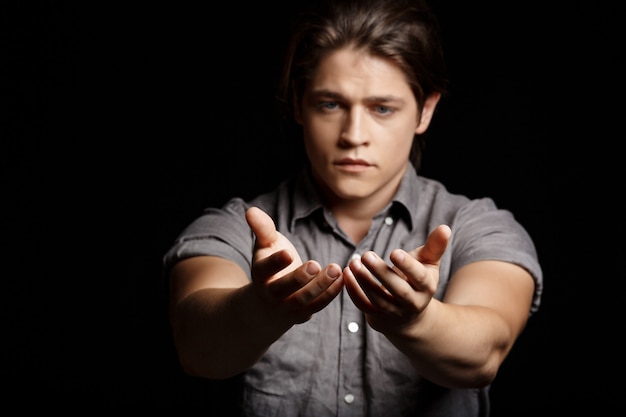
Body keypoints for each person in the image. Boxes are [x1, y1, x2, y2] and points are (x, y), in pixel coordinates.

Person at [163, 0, 543, 415]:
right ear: (298, 105)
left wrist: (415, 321)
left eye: (382, 108)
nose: (353, 135)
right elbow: (197, 349)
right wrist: (261, 309)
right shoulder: (233, 228)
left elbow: (483, 355)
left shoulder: (480, 228)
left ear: (425, 110)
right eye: (330, 104)